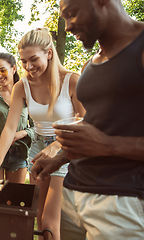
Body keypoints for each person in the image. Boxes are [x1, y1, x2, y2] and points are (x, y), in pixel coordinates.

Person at [31, 0, 144, 239]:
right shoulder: (92, 64)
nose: (68, 27)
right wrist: (60, 158)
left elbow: (103, 140)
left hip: (121, 203)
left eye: (72, 14)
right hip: (72, 196)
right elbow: (99, 126)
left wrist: (108, 146)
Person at [0, 29, 85, 240]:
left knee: (49, 222)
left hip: (65, 149)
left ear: (49, 53)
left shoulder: (72, 80)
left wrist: (56, 146)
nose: (28, 66)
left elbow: (85, 121)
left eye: (34, 59)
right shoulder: (22, 86)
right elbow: (9, 127)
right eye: (24, 61)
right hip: (37, 149)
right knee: (37, 216)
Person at [0, 53, 34, 184]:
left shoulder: (27, 95)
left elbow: (37, 126)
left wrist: (22, 133)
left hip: (19, 153)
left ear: (13, 69)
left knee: (14, 197)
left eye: (2, 70)